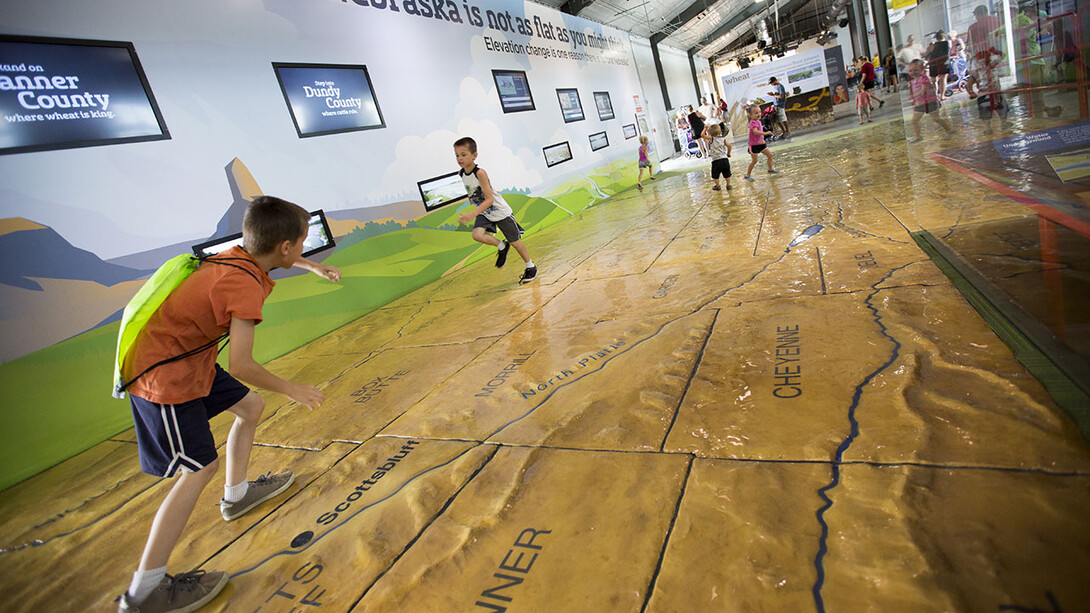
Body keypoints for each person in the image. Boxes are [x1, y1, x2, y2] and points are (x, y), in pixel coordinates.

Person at [117, 196, 342, 612]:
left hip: (190, 357)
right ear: (287, 247)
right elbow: (240, 363)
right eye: (303, 243)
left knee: (250, 408)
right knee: (199, 469)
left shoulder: (235, 256)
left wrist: (314, 266)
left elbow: (280, 260)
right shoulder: (244, 284)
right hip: (163, 374)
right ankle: (143, 592)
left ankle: (236, 496)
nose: (303, 249)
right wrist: (292, 388)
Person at [454, 136, 537, 284]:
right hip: (485, 213)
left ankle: (530, 266)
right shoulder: (461, 174)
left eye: (463, 154)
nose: (460, 158)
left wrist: (473, 213)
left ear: (474, 155)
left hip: (499, 212)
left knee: (516, 243)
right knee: (477, 235)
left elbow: (490, 199)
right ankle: (501, 246)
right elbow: (471, 190)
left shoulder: (480, 173)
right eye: (457, 155)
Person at [908, 59, 954, 142]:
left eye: (915, 70)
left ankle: (949, 130)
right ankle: (918, 137)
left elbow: (923, 90)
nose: (913, 72)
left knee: (936, 118)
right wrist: (914, 100)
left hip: (930, 102)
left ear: (921, 70)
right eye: (910, 71)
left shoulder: (923, 78)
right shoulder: (913, 81)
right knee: (914, 120)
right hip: (920, 104)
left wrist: (913, 96)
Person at [743, 104, 776, 181]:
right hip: (754, 145)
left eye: (759, 112)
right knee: (754, 161)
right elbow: (755, 131)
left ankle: (770, 169)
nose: (759, 114)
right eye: (756, 113)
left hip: (761, 143)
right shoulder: (753, 122)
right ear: (750, 115)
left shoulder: (758, 121)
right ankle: (747, 175)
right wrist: (765, 133)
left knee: (770, 155)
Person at [701, 123, 732, 191]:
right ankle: (728, 185)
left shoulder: (712, 138)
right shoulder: (723, 139)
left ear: (710, 133)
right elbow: (729, 145)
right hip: (724, 159)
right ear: (720, 132)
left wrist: (705, 129)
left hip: (716, 161)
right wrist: (728, 153)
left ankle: (718, 186)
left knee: (715, 175)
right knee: (727, 173)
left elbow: (702, 135)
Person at [927, 31, 951, 100]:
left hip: (933, 63)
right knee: (943, 79)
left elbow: (928, 53)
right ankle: (942, 96)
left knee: (934, 80)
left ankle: (935, 96)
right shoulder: (947, 43)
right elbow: (948, 52)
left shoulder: (933, 45)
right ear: (944, 36)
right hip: (943, 63)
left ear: (936, 37)